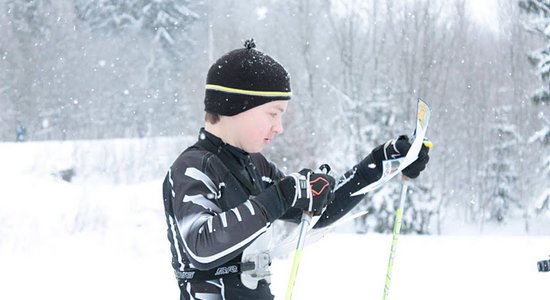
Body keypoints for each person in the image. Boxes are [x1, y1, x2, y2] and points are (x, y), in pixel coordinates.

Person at [162, 39, 430, 299]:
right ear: (237, 106)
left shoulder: (256, 166)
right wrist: (282, 195)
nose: (279, 127)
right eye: (273, 113)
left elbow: (319, 212)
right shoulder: (193, 168)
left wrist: (381, 163)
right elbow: (201, 245)